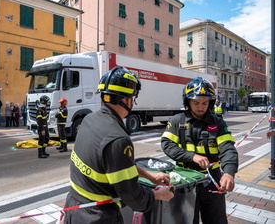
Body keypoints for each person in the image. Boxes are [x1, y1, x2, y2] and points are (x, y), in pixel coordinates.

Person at [64, 66, 174, 223]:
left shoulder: (89, 120)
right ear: (126, 100)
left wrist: (150, 176)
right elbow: (133, 197)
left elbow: (114, 166)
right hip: (98, 217)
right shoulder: (118, 139)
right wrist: (158, 194)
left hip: (74, 207)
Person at [161, 77, 238, 224]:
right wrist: (192, 156)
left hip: (212, 181)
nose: (201, 107)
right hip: (185, 180)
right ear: (187, 101)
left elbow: (228, 148)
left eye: (204, 103)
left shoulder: (218, 123)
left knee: (217, 220)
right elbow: (167, 145)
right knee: (188, 220)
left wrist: (229, 173)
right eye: (196, 103)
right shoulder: (177, 121)